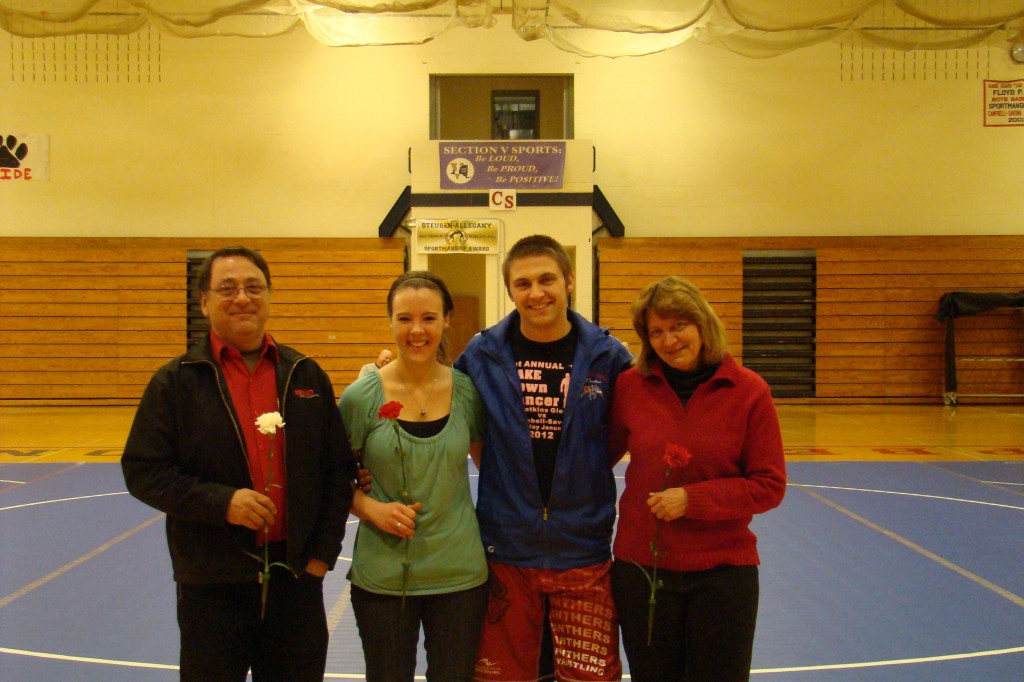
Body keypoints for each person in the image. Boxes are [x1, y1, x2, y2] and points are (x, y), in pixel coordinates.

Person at [121, 246, 355, 681]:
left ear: (269, 297)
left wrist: (322, 555)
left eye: (253, 287)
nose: (243, 298)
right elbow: (143, 471)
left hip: (296, 579)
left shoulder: (305, 374)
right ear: (204, 301)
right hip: (212, 583)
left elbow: (337, 472)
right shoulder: (175, 382)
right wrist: (220, 502)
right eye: (227, 289)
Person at [455, 234, 633, 681]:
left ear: (569, 280)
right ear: (510, 290)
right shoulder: (480, 355)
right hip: (506, 546)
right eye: (523, 283)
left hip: (583, 548)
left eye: (547, 279)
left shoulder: (609, 357)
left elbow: (618, 438)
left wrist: (582, 475)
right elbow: (462, 424)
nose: (536, 293)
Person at [608, 275, 787, 681]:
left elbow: (769, 485)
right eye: (656, 332)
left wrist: (694, 500)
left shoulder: (749, 392)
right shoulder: (629, 388)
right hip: (643, 572)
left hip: (722, 575)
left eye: (678, 326)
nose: (669, 341)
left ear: (702, 323)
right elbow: (594, 457)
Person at [339, 271, 488, 681]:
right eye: (404, 319)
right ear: (390, 322)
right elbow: (329, 478)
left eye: (428, 318)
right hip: (384, 578)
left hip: (459, 575)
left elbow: (493, 469)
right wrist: (368, 507)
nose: (417, 330)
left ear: (447, 320)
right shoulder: (360, 397)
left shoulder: (469, 392)